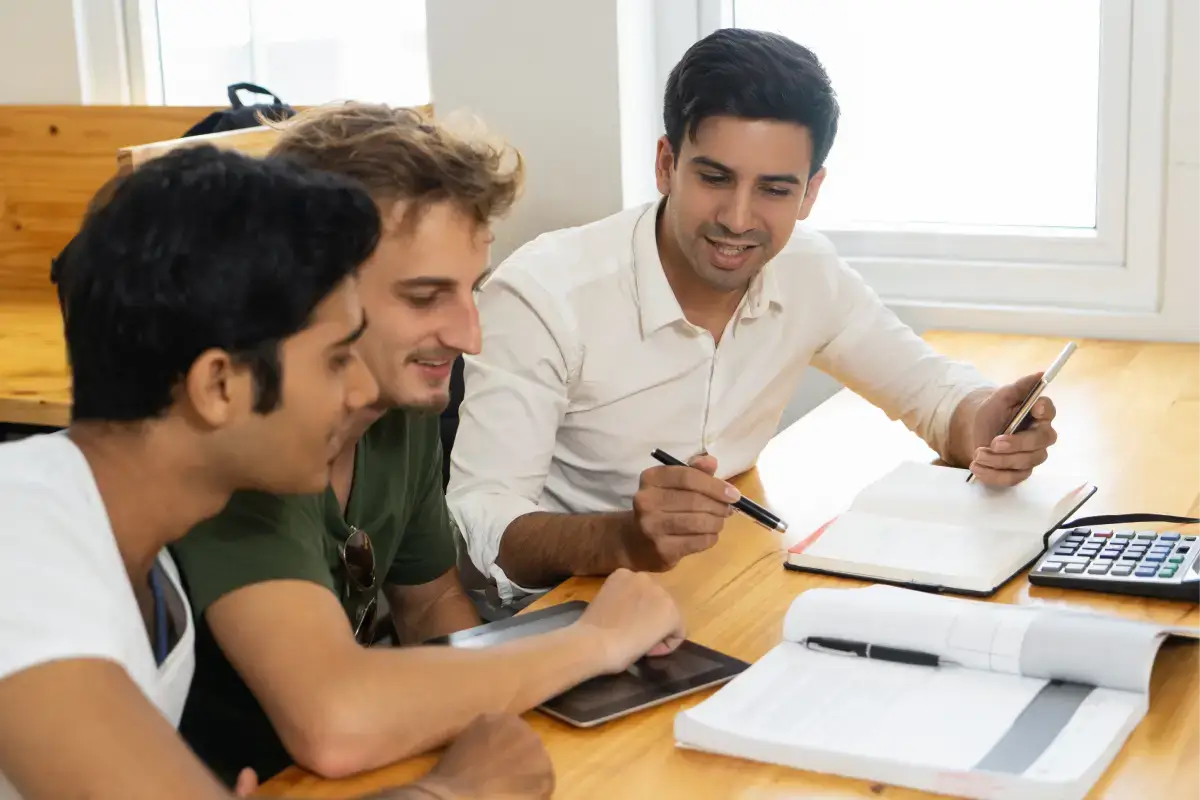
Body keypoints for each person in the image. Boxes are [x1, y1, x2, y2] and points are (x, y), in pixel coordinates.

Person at [0, 145, 554, 800]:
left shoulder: (145, 565)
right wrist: (453, 792)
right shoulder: (24, 542)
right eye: (336, 360)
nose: (360, 393)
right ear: (219, 385)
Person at [445, 27, 1063, 612]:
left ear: (810, 192)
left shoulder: (807, 271)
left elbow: (932, 393)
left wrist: (986, 425)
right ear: (666, 165)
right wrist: (622, 538)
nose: (738, 219)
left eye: (774, 190)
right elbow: (477, 526)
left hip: (712, 588)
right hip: (559, 610)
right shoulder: (545, 294)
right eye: (715, 178)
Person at [169, 103, 686, 787]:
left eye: (471, 290)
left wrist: (507, 724)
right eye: (423, 297)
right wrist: (593, 643)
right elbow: (334, 722)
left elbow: (431, 605)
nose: (470, 336)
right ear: (308, 290)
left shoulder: (399, 408)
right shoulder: (244, 441)